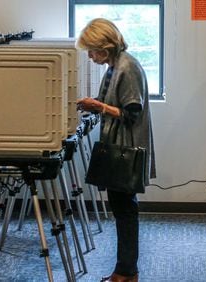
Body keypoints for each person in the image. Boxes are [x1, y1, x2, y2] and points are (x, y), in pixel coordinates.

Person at [76, 18, 156, 282]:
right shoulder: (114, 66)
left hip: (126, 148)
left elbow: (132, 112)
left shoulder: (127, 66)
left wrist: (98, 107)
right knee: (123, 209)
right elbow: (110, 101)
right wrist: (92, 104)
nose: (89, 56)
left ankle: (126, 273)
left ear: (105, 46)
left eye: (92, 50)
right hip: (118, 146)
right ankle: (124, 271)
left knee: (125, 211)